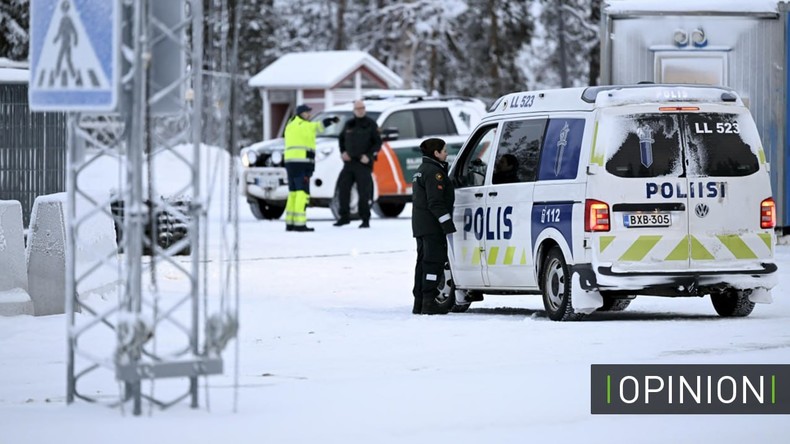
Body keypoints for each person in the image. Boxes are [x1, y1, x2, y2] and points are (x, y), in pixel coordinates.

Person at [411, 137, 456, 315]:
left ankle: (419, 302)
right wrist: (447, 224)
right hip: (432, 226)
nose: (447, 154)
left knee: (422, 264)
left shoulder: (421, 170)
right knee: (433, 263)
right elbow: (435, 202)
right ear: (436, 153)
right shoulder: (434, 173)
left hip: (421, 226)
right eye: (444, 151)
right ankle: (429, 302)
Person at [283, 104, 339, 232]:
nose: (309, 115)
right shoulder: (305, 126)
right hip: (302, 164)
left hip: (290, 164)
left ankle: (290, 222)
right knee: (302, 193)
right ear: (301, 114)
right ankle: (300, 224)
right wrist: (331, 120)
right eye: (307, 112)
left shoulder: (290, 126)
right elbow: (318, 126)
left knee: (293, 193)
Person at [334, 100, 382, 228]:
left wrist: (369, 156)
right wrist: (343, 152)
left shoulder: (371, 124)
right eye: (358, 108)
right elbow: (341, 140)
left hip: (363, 163)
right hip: (349, 163)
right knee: (343, 189)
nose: (360, 110)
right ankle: (344, 217)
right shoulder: (349, 124)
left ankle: (365, 219)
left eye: (362, 108)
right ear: (354, 110)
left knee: (363, 192)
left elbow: (377, 143)